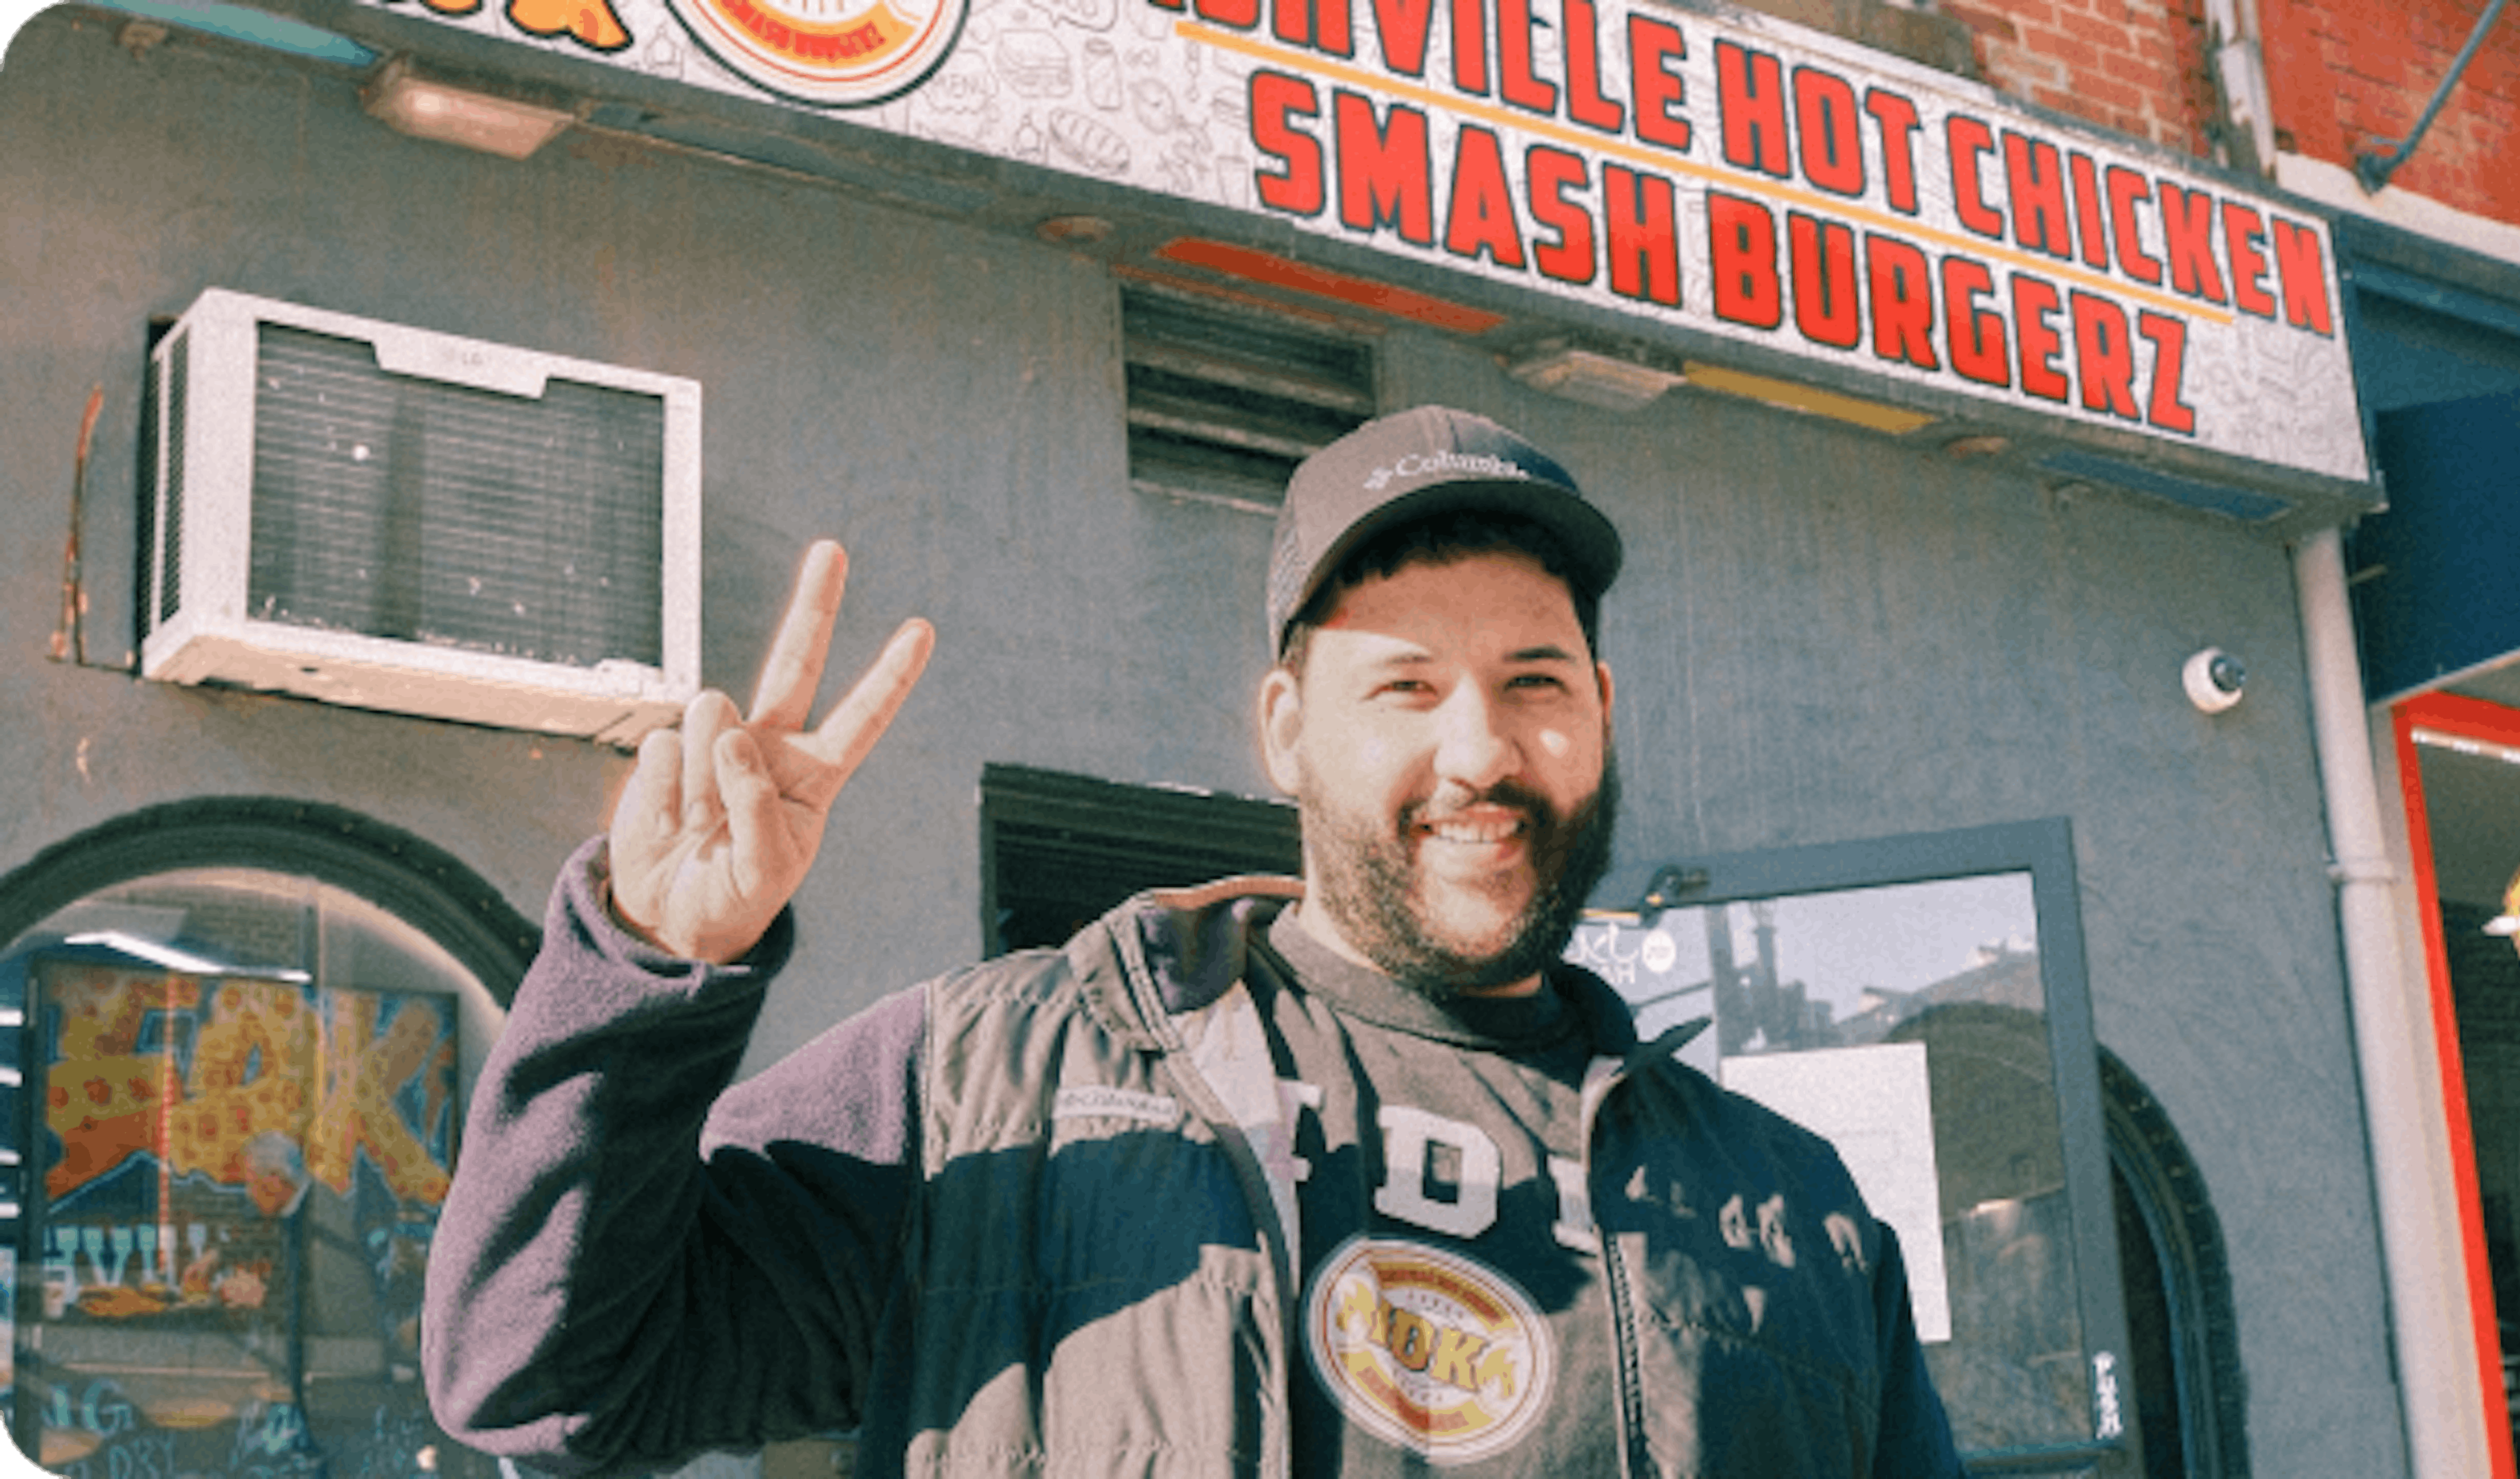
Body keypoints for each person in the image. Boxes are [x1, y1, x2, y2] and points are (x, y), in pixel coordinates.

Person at [423, 406, 1964, 1478]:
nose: (1482, 751)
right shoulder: (986, 1081)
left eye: (1537, 682)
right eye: (1407, 688)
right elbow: (543, 1383)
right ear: (1286, 731)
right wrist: (637, 972)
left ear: (1603, 719)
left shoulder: (1789, 1210)